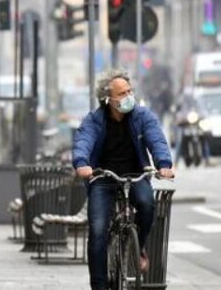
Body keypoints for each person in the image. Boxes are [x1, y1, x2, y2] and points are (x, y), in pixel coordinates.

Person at [71, 69, 174, 290]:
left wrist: (163, 164)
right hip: (103, 177)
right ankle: (99, 286)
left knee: (147, 204)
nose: (129, 96)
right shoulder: (94, 120)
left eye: (130, 91)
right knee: (98, 229)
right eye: (122, 93)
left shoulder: (142, 116)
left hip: (136, 174)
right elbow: (83, 140)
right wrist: (82, 164)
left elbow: (156, 138)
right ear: (108, 99)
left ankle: (139, 246)